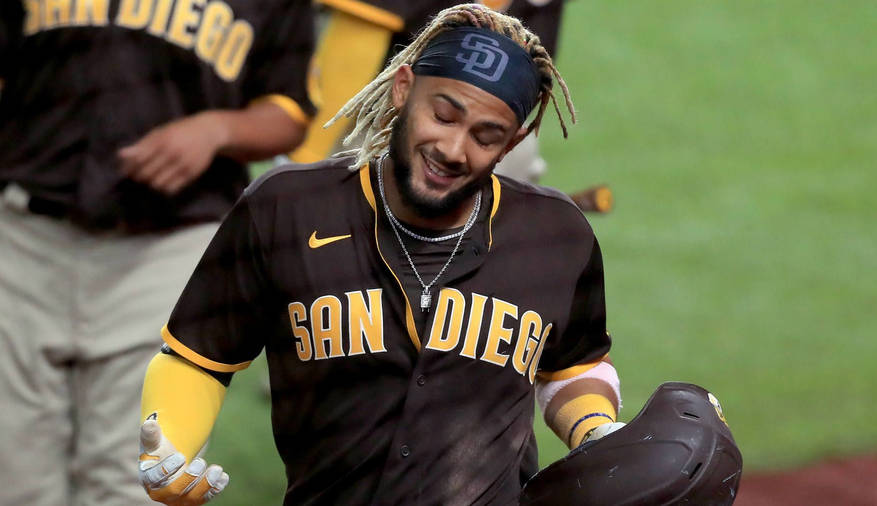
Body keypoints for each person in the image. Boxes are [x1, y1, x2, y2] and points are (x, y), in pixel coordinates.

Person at [138, 4, 623, 505]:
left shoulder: (556, 235)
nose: (453, 148)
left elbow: (575, 365)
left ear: (513, 142)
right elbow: (199, 356)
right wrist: (170, 445)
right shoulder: (285, 210)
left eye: (486, 136)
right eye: (443, 115)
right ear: (403, 88)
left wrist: (595, 428)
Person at [0, 1, 317, 504]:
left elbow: (290, 111)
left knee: (133, 482)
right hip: (25, 237)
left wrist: (217, 129)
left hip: (170, 249)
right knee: (13, 473)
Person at [291, 0, 614, 213]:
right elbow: (351, 50)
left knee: (521, 153)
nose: (453, 151)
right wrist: (306, 162)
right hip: (377, 118)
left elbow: (524, 83)